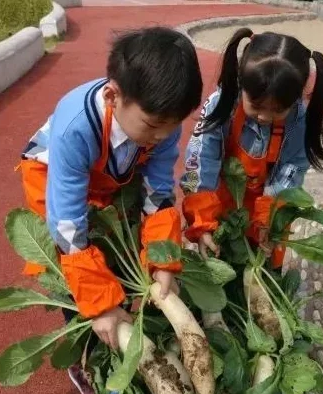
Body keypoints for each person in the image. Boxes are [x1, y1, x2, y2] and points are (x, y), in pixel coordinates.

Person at [17, 27, 203, 393]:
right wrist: (99, 304)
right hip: (54, 181)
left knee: (121, 253)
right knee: (72, 275)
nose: (162, 137)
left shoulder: (159, 125)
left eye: (171, 128)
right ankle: (85, 359)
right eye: (153, 126)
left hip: (112, 179)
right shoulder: (75, 127)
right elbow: (67, 225)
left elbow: (159, 192)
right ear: (113, 95)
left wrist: (163, 261)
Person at [180, 27, 323, 270]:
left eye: (277, 110)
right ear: (242, 84)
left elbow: (291, 169)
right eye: (256, 105)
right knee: (214, 264)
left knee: (265, 269)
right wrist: (203, 221)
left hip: (268, 202)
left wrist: (267, 221)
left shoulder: (298, 119)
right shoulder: (222, 105)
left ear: (293, 101)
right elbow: (201, 160)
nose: (264, 116)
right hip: (219, 203)